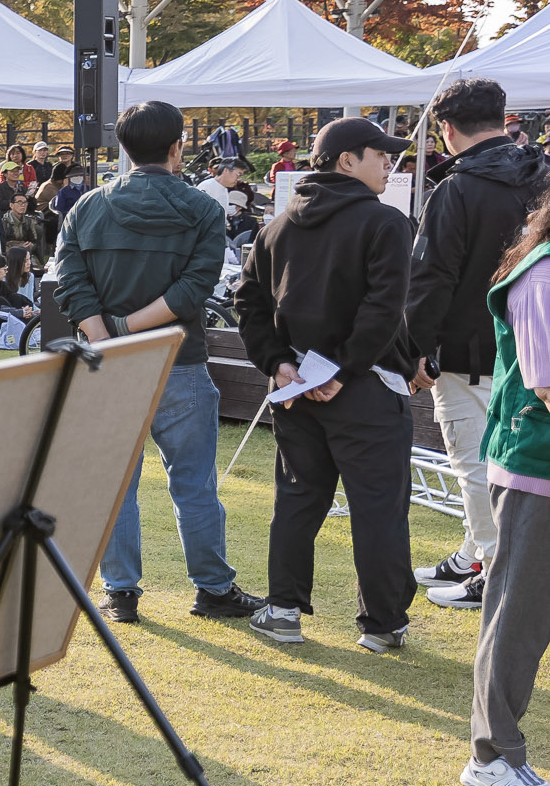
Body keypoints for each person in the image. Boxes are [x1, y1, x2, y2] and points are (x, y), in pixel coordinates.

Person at [54, 100, 265, 624]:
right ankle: (212, 588)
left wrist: (108, 333)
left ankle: (121, 590)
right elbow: (194, 290)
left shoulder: (88, 206)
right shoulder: (202, 208)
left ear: (123, 148)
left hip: (109, 359)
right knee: (194, 482)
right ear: (178, 148)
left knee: (116, 481)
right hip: (179, 359)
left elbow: (68, 283)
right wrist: (127, 329)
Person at [235, 116, 419, 652]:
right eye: (379, 154)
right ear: (346, 160)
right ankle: (383, 624)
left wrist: (278, 364)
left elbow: (249, 303)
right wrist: (338, 368)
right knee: (377, 505)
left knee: (297, 499)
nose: (390, 162)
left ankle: (284, 610)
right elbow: (384, 308)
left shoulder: (277, 224)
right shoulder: (383, 222)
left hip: (299, 385)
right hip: (360, 387)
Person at [406, 78, 544, 610]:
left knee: (475, 462)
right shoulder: (542, 173)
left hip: (472, 349)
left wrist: (415, 349)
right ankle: (476, 553)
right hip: (534, 346)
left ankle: (491, 567)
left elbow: (431, 276)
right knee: (502, 460)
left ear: (446, 129)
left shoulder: (458, 188)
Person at [463, 190, 550, 786]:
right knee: (518, 614)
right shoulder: (540, 277)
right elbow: (547, 384)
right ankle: (491, 755)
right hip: (534, 469)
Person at [0, 190, 46, 270]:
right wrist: (17, 246)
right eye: (19, 202)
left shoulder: (29, 221)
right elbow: (1, 244)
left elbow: (34, 241)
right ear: (11, 205)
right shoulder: (3, 222)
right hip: (8, 253)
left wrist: (30, 245)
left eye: (25, 203)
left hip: (25, 251)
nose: (23, 205)